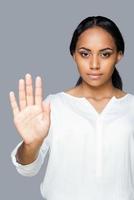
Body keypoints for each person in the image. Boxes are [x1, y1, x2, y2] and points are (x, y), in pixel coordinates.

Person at [10, 16, 134, 200]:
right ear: (73, 55)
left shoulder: (131, 107)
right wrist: (31, 144)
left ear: (119, 56)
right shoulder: (53, 106)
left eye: (105, 54)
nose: (94, 64)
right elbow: (27, 169)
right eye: (85, 53)